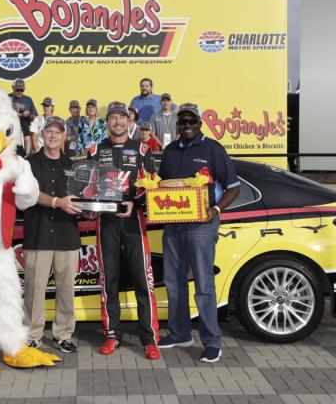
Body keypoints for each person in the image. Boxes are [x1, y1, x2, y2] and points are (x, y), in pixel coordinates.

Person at [157, 103, 240, 363]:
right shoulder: (169, 151)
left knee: (204, 285)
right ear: (177, 125)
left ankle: (212, 341)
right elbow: (161, 186)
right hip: (172, 226)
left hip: (202, 227)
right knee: (173, 282)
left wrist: (215, 210)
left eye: (192, 121)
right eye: (182, 122)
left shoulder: (213, 149)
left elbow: (233, 187)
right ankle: (180, 333)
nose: (187, 125)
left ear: (200, 123)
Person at [87, 101, 160, 360]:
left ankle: (149, 338)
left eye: (121, 118)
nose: (117, 122)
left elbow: (151, 186)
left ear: (128, 121)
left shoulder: (141, 149)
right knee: (110, 281)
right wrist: (88, 205)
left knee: (143, 281)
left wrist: (135, 202)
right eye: (113, 118)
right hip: (106, 223)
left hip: (133, 222)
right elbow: (87, 187)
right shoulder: (95, 150)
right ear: (107, 121)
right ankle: (112, 334)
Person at [24, 116, 82, 353]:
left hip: (67, 235)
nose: (53, 136)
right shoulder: (28, 163)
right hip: (38, 235)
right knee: (34, 290)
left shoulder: (74, 166)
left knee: (66, 290)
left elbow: (81, 197)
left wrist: (87, 210)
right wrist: (57, 202)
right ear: (41, 134)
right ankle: (32, 335)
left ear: (65, 138)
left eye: (59, 132)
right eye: (49, 131)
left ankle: (64, 333)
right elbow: (28, 194)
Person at [8, 78, 38, 156]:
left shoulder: (28, 99)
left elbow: (35, 118)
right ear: (12, 87)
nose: (19, 92)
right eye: (17, 90)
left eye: (22, 90)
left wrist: (29, 115)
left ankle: (27, 154)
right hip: (10, 131)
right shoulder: (6, 98)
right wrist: (16, 114)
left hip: (24, 128)